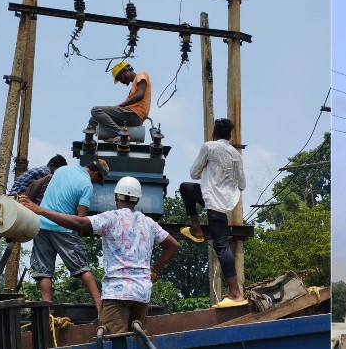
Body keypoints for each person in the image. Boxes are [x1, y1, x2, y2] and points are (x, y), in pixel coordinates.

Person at [19, 176, 180, 335]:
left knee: (115, 343)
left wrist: (40, 210)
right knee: (136, 342)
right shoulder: (149, 223)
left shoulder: (110, 218)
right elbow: (173, 246)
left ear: (116, 196)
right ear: (137, 200)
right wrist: (155, 269)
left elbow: (78, 223)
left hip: (117, 293)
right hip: (141, 294)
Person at [178, 118, 247, 308]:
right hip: (225, 203)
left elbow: (194, 173)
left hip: (212, 202)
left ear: (214, 133)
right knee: (187, 189)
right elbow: (242, 184)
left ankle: (235, 293)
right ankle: (197, 229)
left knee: (221, 246)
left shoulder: (209, 147)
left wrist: (208, 169)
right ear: (229, 135)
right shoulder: (236, 155)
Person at [28, 158, 110, 314]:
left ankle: (47, 313)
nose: (96, 183)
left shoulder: (61, 170)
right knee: (82, 267)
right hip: (63, 228)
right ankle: (100, 308)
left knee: (44, 271)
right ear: (96, 173)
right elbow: (80, 219)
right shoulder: (86, 185)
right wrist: (78, 235)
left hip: (41, 225)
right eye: (98, 179)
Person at [89, 61, 151, 140]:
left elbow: (140, 95)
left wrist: (120, 106)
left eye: (119, 78)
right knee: (94, 120)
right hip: (130, 115)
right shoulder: (132, 89)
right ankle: (100, 141)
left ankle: (121, 135)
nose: (121, 82)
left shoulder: (141, 75)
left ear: (125, 71)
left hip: (135, 114)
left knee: (96, 110)